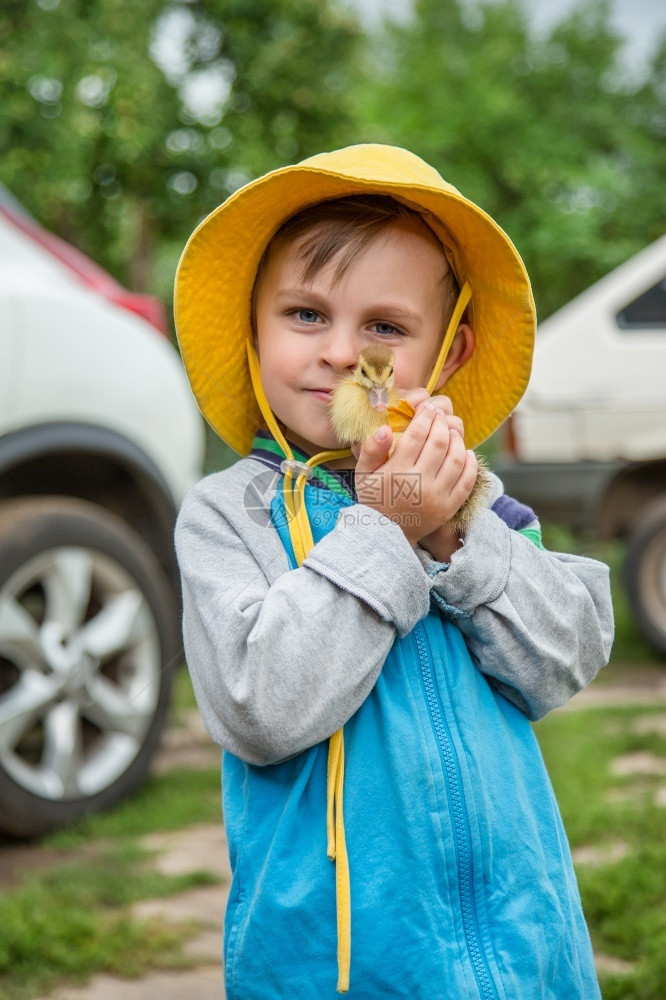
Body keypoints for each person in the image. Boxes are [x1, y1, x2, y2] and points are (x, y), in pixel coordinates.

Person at [173, 144, 614, 1000]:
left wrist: (453, 535)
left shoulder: (469, 499)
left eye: (385, 327)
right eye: (305, 315)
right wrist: (384, 529)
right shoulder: (228, 518)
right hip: (337, 964)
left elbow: (566, 658)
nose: (343, 354)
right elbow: (259, 707)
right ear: (253, 331)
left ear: (447, 355)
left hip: (522, 947)